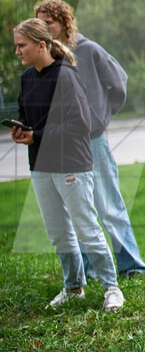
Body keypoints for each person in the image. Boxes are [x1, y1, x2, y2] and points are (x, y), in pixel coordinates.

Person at [11, 18, 124, 311]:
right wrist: (21, 129)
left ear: (41, 45)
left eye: (21, 46)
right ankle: (73, 287)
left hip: (71, 163)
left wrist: (35, 135)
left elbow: (80, 125)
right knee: (58, 231)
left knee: (86, 227)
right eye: (16, 46)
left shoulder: (66, 75)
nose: (17, 52)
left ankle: (112, 287)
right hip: (40, 164)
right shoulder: (27, 78)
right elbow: (29, 116)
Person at [35, 0, 145, 278]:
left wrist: (102, 118)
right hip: (64, 144)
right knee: (76, 209)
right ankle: (91, 271)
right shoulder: (46, 59)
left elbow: (119, 82)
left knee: (108, 204)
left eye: (49, 22)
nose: (45, 28)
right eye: (41, 23)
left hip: (92, 140)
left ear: (64, 22)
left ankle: (131, 266)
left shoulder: (89, 50)